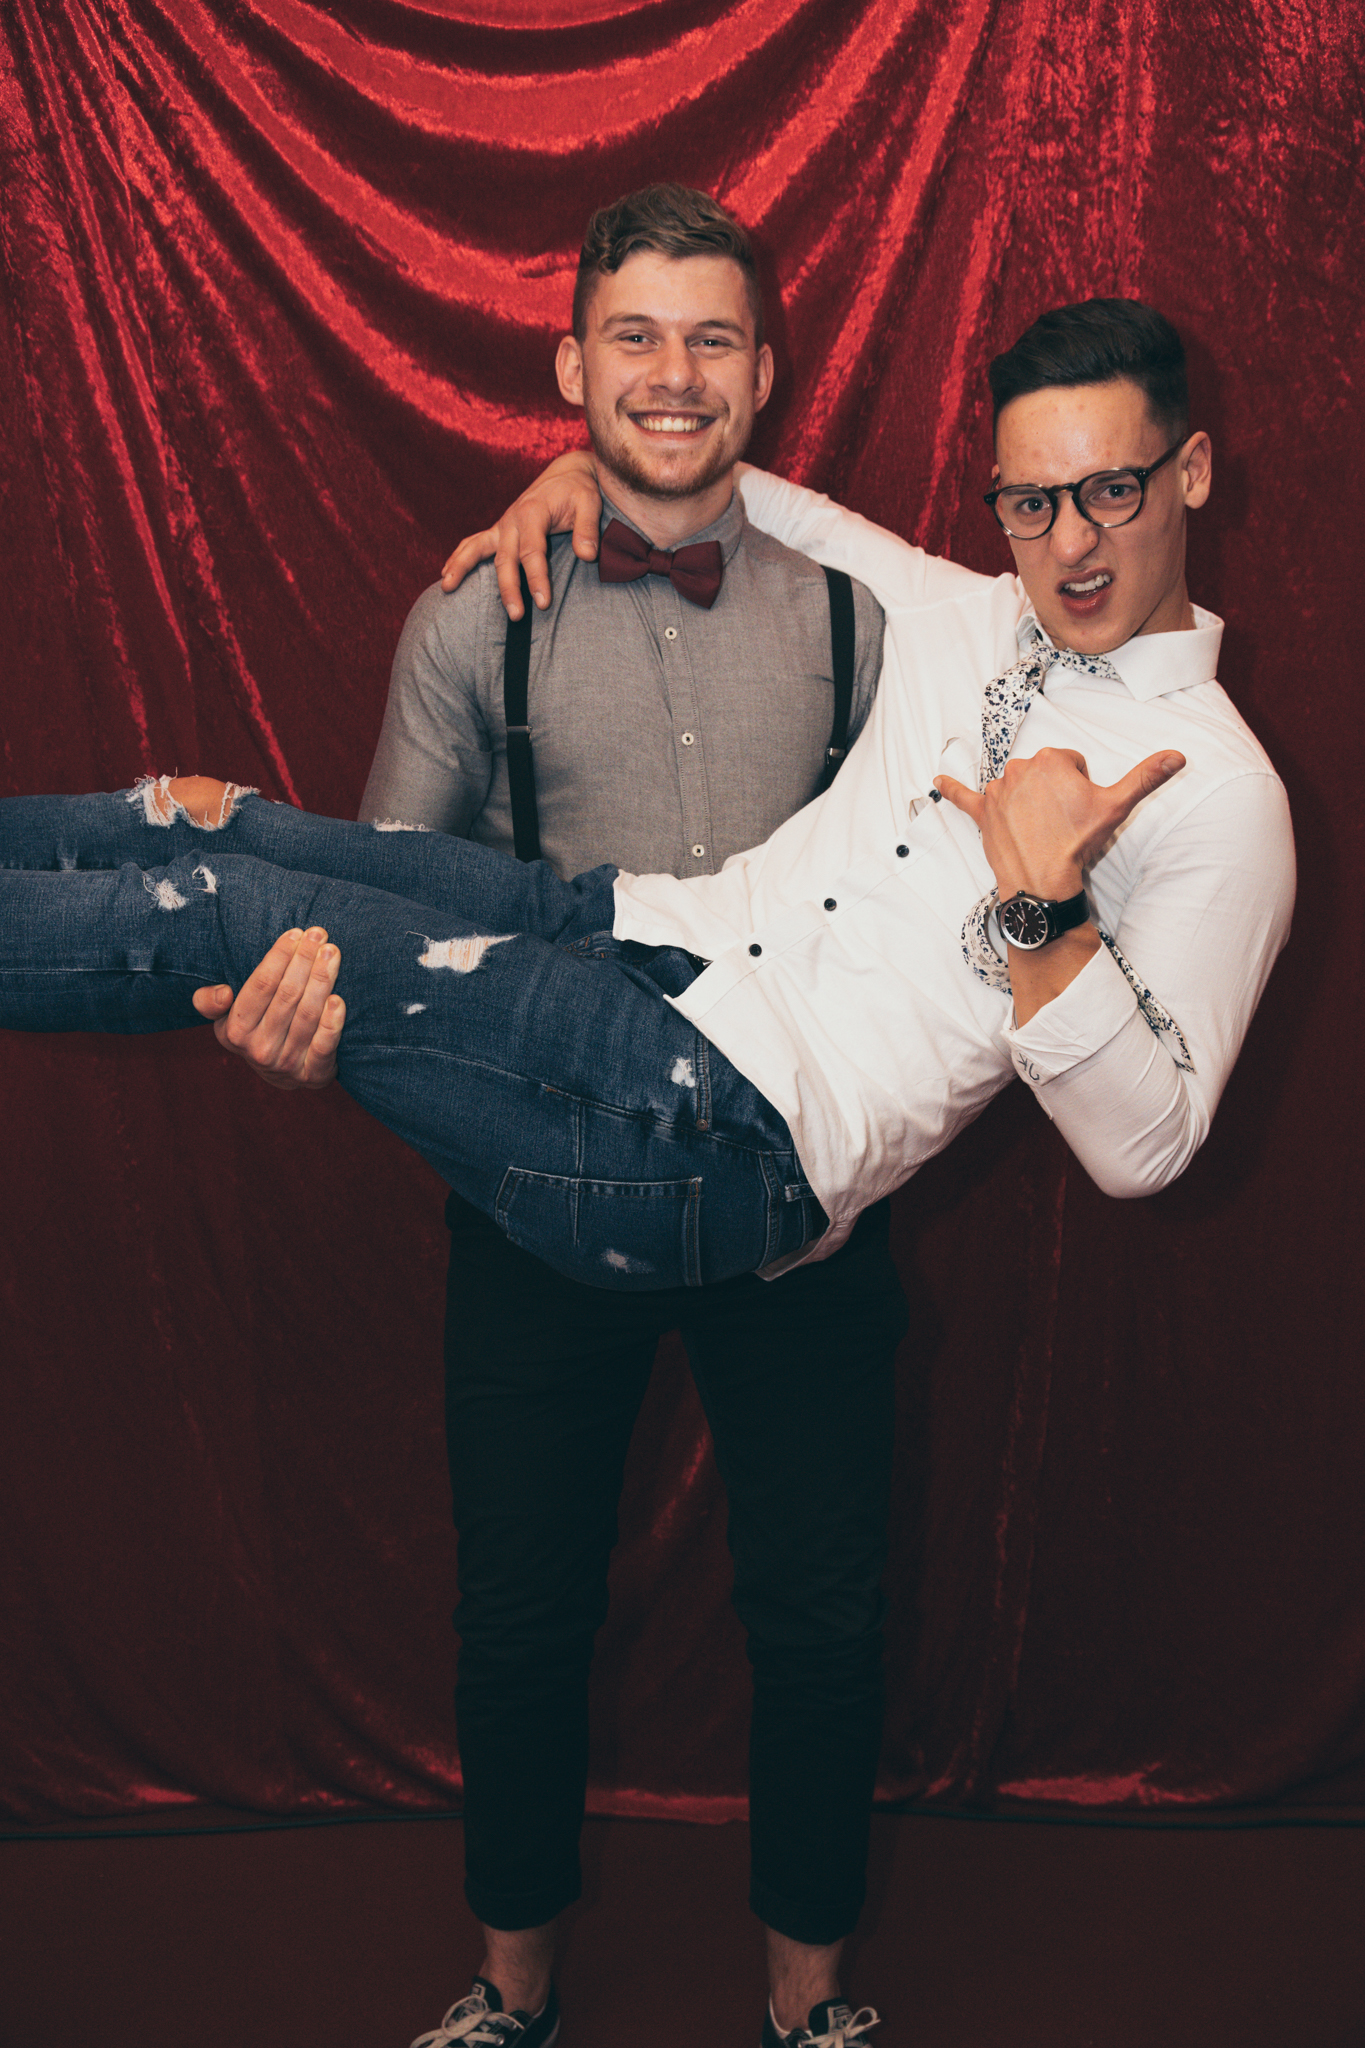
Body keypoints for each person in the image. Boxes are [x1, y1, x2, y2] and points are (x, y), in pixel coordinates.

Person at [1, 297, 1293, 2048]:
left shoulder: (1219, 800)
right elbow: (747, 493)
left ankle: (808, 2007)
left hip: (721, 1135)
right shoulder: (962, 606)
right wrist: (574, 473)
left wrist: (1044, 905)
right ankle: (509, 1988)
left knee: (212, 911)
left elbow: (1147, 1149)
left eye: (1112, 492)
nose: (1068, 544)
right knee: (207, 822)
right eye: (1028, 499)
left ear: (1189, 473)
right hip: (633, 942)